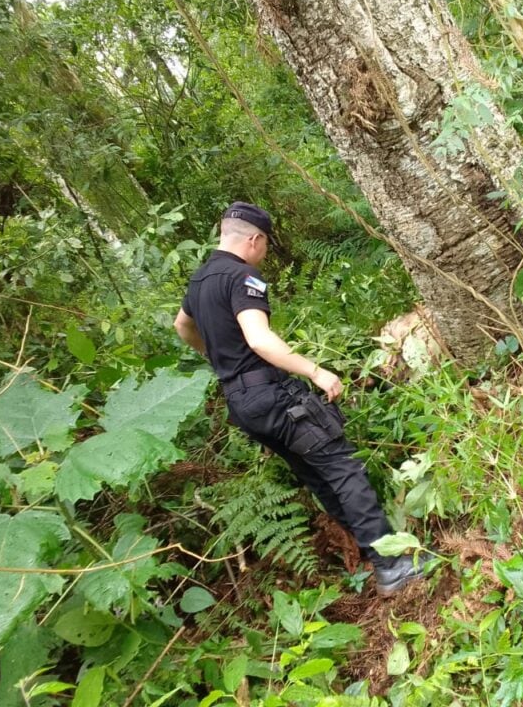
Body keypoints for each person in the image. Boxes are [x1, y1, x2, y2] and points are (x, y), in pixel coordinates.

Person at [174, 201, 428, 595]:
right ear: (254, 239)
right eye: (266, 246)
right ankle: (392, 564)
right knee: (345, 470)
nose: (264, 255)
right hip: (272, 395)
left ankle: (381, 558)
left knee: (319, 477)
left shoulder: (200, 280)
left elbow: (182, 325)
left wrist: (216, 356)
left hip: (241, 403)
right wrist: (314, 370)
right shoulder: (242, 277)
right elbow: (259, 338)